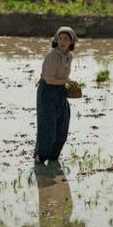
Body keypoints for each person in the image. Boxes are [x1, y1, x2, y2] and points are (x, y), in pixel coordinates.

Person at [34, 27, 79, 165]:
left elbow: (63, 75)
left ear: (71, 41)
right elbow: (49, 80)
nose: (62, 41)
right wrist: (67, 81)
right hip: (47, 91)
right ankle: (40, 158)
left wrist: (69, 82)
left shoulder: (69, 56)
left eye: (66, 39)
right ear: (56, 40)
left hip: (60, 91)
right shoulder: (51, 56)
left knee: (62, 127)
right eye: (60, 38)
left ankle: (53, 158)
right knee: (47, 128)